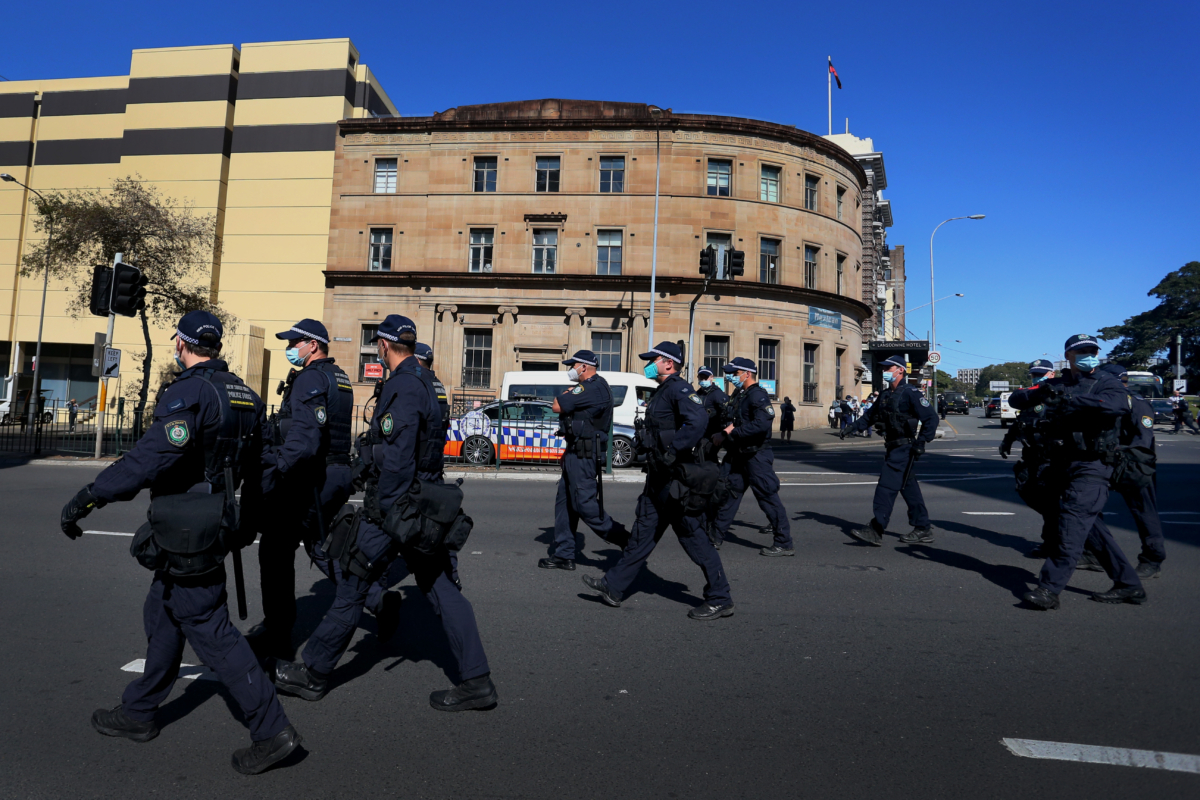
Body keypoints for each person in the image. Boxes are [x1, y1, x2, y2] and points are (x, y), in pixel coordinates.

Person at [58, 310, 300, 775]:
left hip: (188, 529)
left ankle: (272, 731)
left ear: (183, 344)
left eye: (175, 339)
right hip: (210, 525)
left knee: (210, 627)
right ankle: (139, 712)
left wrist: (90, 497)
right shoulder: (244, 394)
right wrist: (245, 521)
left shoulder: (190, 392)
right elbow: (264, 466)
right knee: (163, 612)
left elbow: (149, 459)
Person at [272, 315, 497, 710]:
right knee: (442, 588)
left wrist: (385, 512)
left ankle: (315, 672)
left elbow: (397, 456)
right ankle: (477, 680)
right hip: (424, 497)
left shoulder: (405, 386)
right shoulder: (428, 380)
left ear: (384, 345)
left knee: (354, 579)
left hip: (401, 503)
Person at [580, 342, 734, 620]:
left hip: (676, 481)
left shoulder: (679, 388)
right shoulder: (663, 391)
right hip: (658, 479)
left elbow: (697, 421)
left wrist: (673, 451)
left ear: (668, 363)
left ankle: (720, 597)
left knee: (694, 538)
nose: (648, 363)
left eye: (653, 359)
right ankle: (613, 587)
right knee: (642, 535)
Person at [1008, 334, 1145, 610]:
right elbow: (1016, 399)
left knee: (1070, 525)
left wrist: (1073, 401)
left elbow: (1117, 406)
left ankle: (1049, 589)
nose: (1087, 355)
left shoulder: (1106, 382)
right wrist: (1040, 392)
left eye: (1091, 350)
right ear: (1068, 356)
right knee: (1092, 529)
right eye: (1081, 351)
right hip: (1063, 463)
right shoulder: (1057, 383)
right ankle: (1129, 584)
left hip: (1093, 464)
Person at [247, 318, 356, 660]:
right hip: (336, 470)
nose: (290, 348)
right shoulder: (339, 376)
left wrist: (277, 470)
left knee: (276, 548)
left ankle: (279, 635)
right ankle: (378, 597)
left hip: (310, 475)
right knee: (320, 541)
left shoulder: (310, 377)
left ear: (313, 345)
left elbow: (306, 439)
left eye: (295, 342)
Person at [539, 349, 629, 570]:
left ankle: (628, 541)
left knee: (586, 506)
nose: (571, 369)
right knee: (565, 506)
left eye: (574, 365)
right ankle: (564, 554)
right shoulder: (592, 387)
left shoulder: (592, 387)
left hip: (584, 457)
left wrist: (569, 393)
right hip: (574, 453)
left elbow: (557, 405)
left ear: (584, 367)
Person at [847, 356, 939, 546]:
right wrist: (852, 427)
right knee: (908, 488)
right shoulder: (885, 395)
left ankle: (876, 528)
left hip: (905, 447)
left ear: (900, 370)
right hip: (892, 446)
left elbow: (931, 418)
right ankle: (923, 528)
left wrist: (921, 442)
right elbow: (870, 416)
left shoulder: (911, 392)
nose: (884, 371)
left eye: (888, 368)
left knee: (886, 488)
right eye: (883, 368)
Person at [710, 357, 794, 557]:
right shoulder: (741, 394)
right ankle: (715, 536)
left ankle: (784, 542)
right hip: (739, 455)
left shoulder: (757, 395)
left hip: (756, 455)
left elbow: (762, 424)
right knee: (728, 495)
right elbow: (736, 420)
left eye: (734, 372)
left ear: (747, 374)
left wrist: (732, 433)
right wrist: (724, 432)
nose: (731, 376)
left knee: (767, 498)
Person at [1095, 363, 1165, 579]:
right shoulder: (1105, 401)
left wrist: (1122, 455)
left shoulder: (1137, 403)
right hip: (1104, 462)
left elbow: (1143, 440)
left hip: (1133, 465)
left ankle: (1152, 558)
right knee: (1089, 507)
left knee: (1144, 512)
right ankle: (1091, 552)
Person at [999, 359, 1058, 558]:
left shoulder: (1057, 395)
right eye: (1034, 374)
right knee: (1028, 491)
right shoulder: (1031, 396)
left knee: (1056, 502)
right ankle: (1053, 540)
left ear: (1052, 374)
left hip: (1054, 458)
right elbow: (1021, 421)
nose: (1036, 377)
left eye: (1041, 373)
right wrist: (1007, 441)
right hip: (1033, 455)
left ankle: (1058, 543)